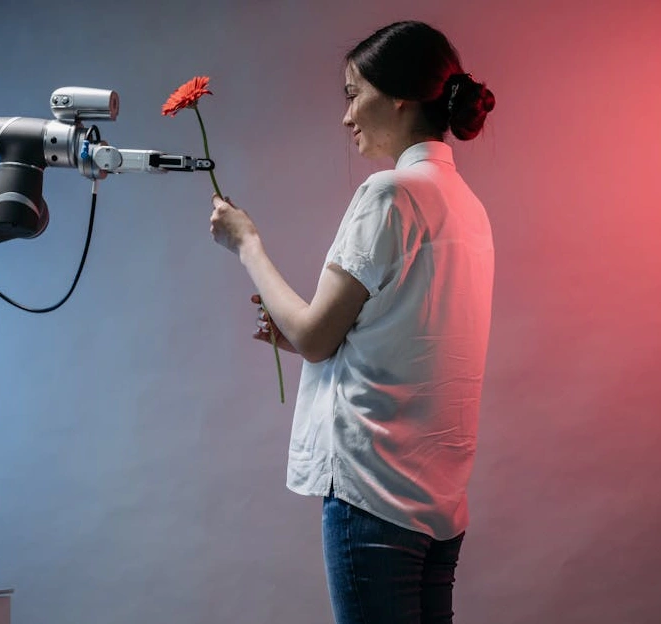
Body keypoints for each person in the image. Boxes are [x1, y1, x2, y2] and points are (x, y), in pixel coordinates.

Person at [209, 20, 495, 624]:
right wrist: (309, 336)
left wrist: (248, 244)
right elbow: (405, 336)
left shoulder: (388, 193)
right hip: (438, 498)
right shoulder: (467, 207)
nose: (346, 117)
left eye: (352, 93)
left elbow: (315, 336)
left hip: (375, 492)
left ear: (397, 96)